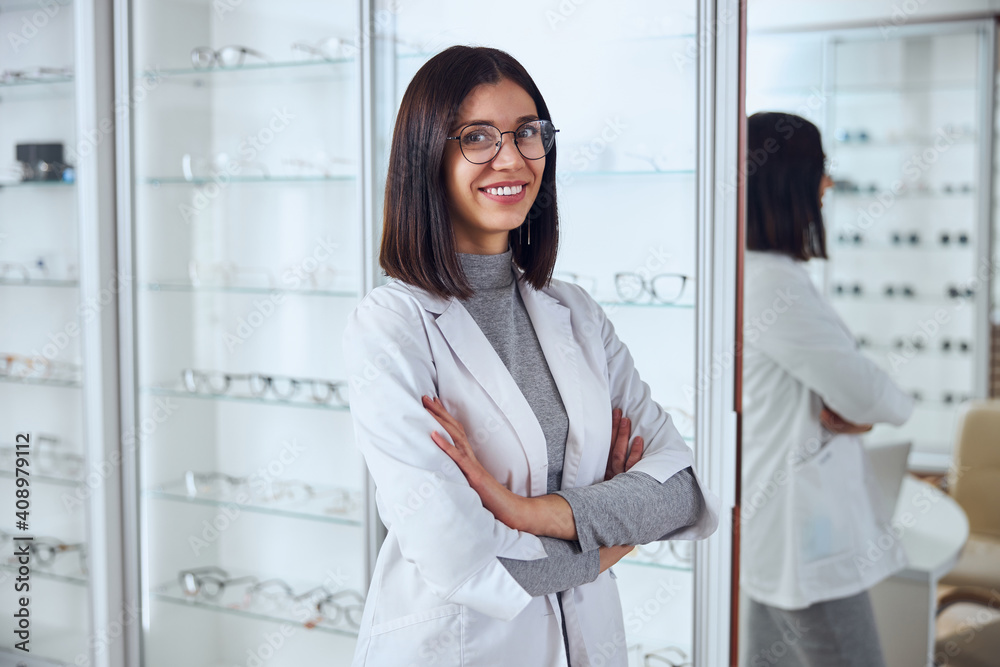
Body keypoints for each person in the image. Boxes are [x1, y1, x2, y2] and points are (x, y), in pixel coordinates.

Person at [343, 46, 720, 667]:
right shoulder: (392, 326)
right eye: (478, 137)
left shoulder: (573, 311)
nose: (512, 158)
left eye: (528, 133)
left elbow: (681, 489)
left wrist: (523, 511)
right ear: (425, 155)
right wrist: (616, 529)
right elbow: (460, 557)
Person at [740, 111, 915, 667]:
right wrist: (873, 408)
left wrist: (856, 404)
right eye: (820, 169)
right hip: (802, 532)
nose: (828, 183)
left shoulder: (759, 274)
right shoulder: (773, 286)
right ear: (789, 182)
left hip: (779, 525)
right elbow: (872, 396)